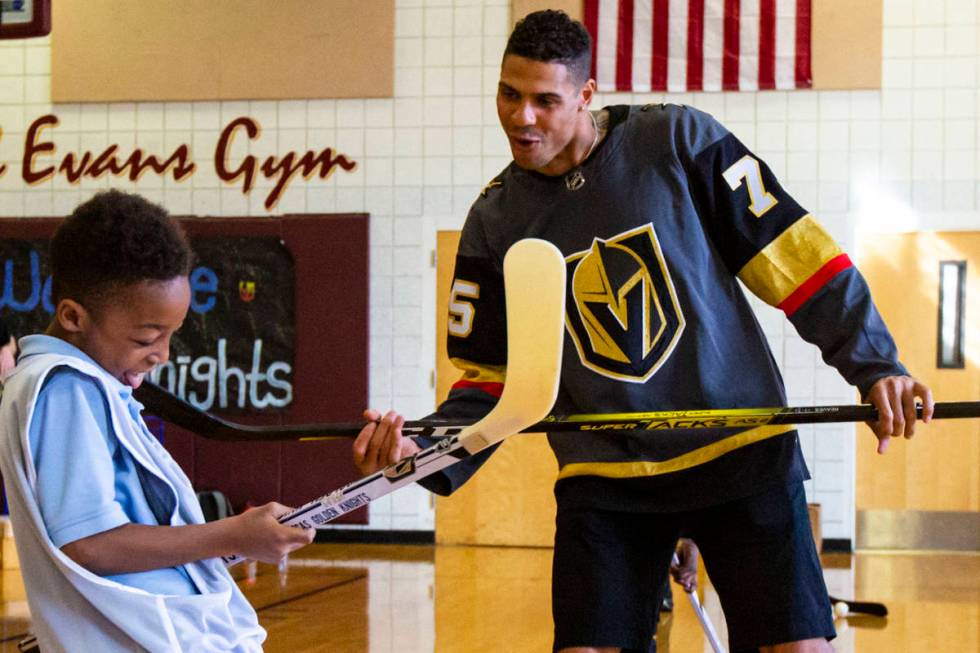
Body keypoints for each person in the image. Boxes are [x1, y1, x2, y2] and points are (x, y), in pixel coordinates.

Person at [355, 10, 934, 653]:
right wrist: (425, 450)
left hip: (738, 448)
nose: (522, 118)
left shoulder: (678, 141)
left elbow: (793, 258)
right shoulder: (494, 220)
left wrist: (875, 364)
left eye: (546, 100)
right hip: (605, 474)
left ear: (585, 94)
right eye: (509, 95)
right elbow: (494, 387)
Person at [0, 190, 314, 652]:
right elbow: (88, 544)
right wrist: (231, 533)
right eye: (147, 337)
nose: (162, 354)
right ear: (72, 316)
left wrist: (233, 541)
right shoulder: (66, 388)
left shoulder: (84, 385)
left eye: (171, 335)